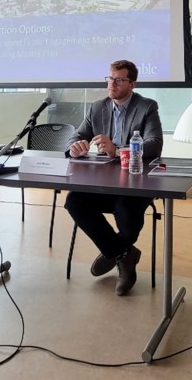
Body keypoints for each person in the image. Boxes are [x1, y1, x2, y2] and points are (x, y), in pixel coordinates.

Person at [63, 60, 163, 296]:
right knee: (74, 201)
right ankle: (125, 255)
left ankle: (116, 253)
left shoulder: (147, 106)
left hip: (135, 182)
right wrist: (74, 147)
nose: (112, 84)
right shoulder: (98, 107)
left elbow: (154, 145)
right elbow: (75, 136)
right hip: (103, 181)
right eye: (109, 78)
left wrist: (117, 149)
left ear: (132, 83)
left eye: (119, 79)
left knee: (128, 217)